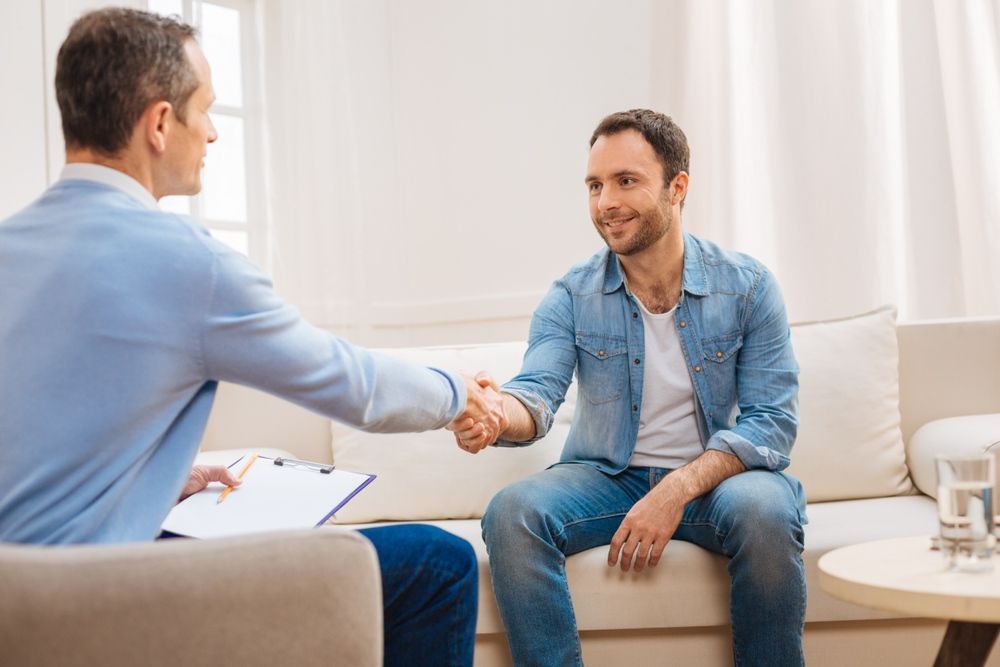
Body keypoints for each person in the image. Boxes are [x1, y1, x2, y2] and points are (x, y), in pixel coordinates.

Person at [0, 9, 504, 667]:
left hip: (16, 610)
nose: (211, 133)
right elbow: (355, 386)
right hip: (97, 609)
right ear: (158, 124)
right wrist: (458, 390)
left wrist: (158, 480)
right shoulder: (186, 261)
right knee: (440, 562)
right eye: (203, 111)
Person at [452, 109, 806, 666]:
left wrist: (674, 490)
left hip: (717, 481)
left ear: (677, 187)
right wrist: (498, 414)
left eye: (625, 181)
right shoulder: (570, 295)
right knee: (512, 512)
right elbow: (536, 395)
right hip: (604, 478)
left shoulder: (749, 287)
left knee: (765, 512)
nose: (605, 203)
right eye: (595, 185)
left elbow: (771, 424)